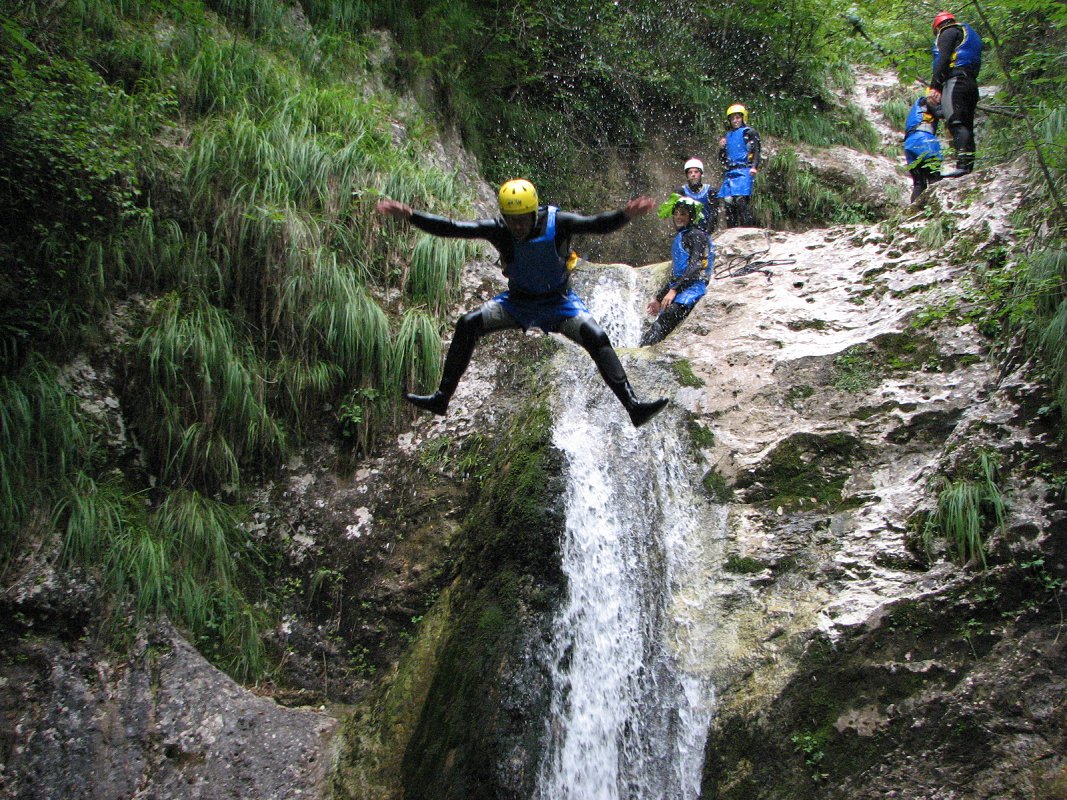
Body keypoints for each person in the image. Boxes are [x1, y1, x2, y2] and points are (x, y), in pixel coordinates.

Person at [376, 179, 669, 427]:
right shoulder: (498, 229)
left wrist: (625, 215)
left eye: (521, 219)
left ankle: (633, 407)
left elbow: (596, 224)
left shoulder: (559, 223)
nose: (516, 226)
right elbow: (453, 228)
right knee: (468, 324)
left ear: (533, 212)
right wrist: (411, 216)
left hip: (559, 303)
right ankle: (441, 398)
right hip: (517, 303)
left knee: (596, 336)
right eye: (510, 219)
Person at [641, 195, 713, 347]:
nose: (679, 217)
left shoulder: (696, 235)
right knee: (655, 328)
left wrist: (674, 290)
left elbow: (695, 267)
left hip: (694, 287)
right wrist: (658, 298)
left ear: (691, 217)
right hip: (683, 286)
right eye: (677, 213)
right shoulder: (683, 236)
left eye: (683, 214)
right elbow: (677, 274)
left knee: (662, 322)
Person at [928, 11, 982, 177]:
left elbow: (943, 60)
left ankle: (962, 166)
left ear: (938, 27)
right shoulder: (967, 33)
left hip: (956, 81)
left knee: (956, 123)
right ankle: (967, 167)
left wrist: (934, 87)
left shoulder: (948, 32)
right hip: (970, 83)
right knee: (966, 125)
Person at [717, 104, 762, 228]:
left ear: (743, 118)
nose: (735, 121)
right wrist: (721, 148)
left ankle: (746, 229)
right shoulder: (727, 136)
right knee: (728, 201)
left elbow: (757, 151)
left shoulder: (749, 132)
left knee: (741, 200)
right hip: (731, 171)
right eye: (732, 119)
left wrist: (754, 166)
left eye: (737, 117)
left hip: (744, 170)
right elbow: (722, 159)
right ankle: (731, 230)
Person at [904, 95, 944, 203]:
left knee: (919, 183)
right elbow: (942, 114)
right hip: (924, 140)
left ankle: (914, 211)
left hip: (910, 143)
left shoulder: (917, 106)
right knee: (934, 176)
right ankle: (935, 207)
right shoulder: (927, 101)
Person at [676, 157, 718, 232]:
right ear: (687, 175)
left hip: (706, 231)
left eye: (696, 172)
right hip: (687, 232)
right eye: (690, 172)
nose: (693, 175)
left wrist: (707, 233)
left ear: (701, 174)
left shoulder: (710, 191)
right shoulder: (681, 191)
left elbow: (713, 214)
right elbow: (678, 216)